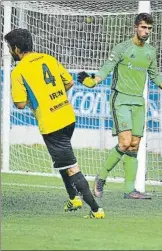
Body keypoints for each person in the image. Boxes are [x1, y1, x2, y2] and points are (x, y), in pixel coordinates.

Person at [78, 13, 162, 199]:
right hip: (121, 100)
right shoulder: (122, 48)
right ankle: (102, 177)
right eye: (143, 27)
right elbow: (106, 69)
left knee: (134, 145)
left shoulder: (150, 52)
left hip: (139, 103)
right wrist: (94, 81)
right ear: (135, 27)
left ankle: (129, 190)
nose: (146, 31)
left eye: (149, 28)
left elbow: (155, 77)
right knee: (124, 143)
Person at [4, 28, 105, 218]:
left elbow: (19, 103)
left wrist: (36, 101)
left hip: (52, 124)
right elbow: (69, 82)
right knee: (62, 161)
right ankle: (74, 198)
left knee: (71, 165)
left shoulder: (18, 71)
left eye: (10, 47)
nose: (9, 51)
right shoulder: (48, 58)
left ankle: (96, 209)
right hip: (67, 116)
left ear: (17, 48)